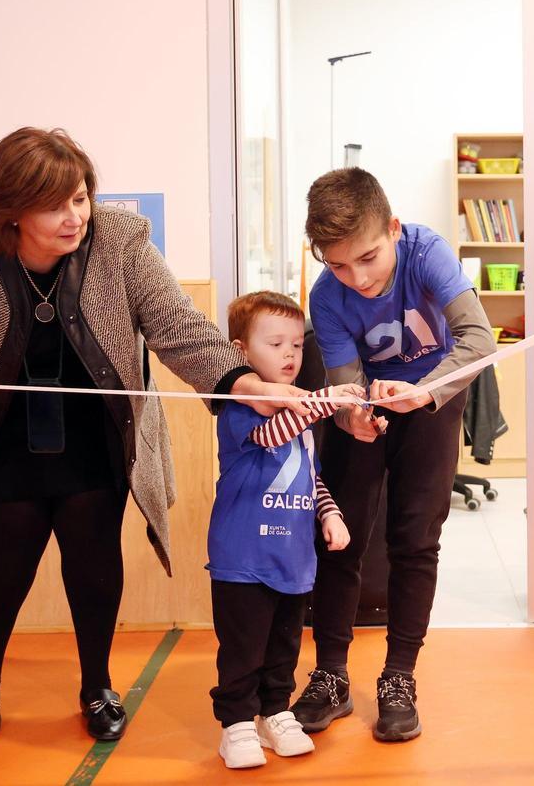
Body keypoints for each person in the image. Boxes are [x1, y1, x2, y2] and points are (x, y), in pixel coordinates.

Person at [0, 127, 306, 741]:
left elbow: (176, 326)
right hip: (3, 435)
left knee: (93, 555)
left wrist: (243, 382)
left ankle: (96, 685)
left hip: (99, 434)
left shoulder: (120, 239)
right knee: (6, 553)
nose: (75, 216)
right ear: (9, 212)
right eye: (55, 205)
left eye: (81, 198)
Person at [289, 167, 496, 742]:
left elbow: (480, 342)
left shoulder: (428, 253)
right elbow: (346, 383)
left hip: (433, 398)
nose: (355, 278)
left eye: (369, 258)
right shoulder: (327, 297)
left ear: (395, 230)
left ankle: (398, 676)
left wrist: (423, 391)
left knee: (415, 540)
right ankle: (331, 674)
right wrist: (351, 416)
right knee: (339, 537)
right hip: (374, 412)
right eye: (337, 264)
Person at [208, 291, 362, 769]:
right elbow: (271, 436)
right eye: (275, 344)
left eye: (296, 345)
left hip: (293, 562)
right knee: (243, 649)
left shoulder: (302, 421)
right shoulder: (239, 410)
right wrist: (326, 400)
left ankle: (275, 711)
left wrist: (330, 514)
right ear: (242, 353)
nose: (290, 355)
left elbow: (308, 475)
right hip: (243, 560)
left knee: (283, 649)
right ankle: (236, 724)